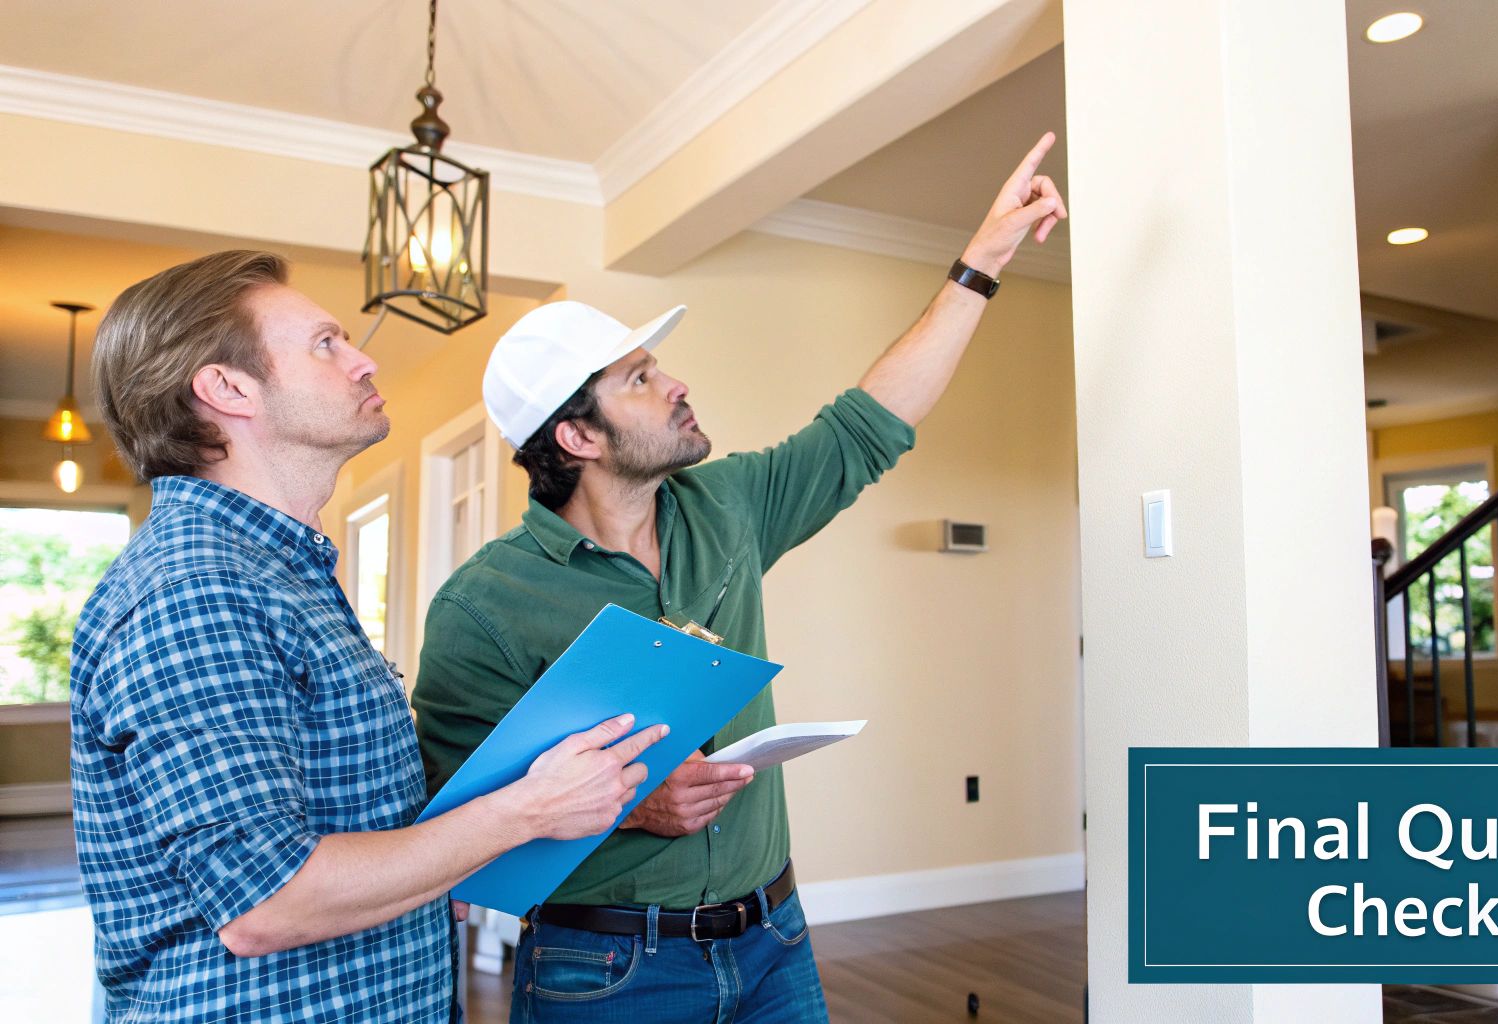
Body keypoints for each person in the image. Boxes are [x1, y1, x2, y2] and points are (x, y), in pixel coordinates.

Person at [411, 133, 1066, 1021]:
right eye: (641, 378)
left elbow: (865, 426)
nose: (676, 383)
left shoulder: (726, 505)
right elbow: (458, 837)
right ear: (579, 438)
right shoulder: (482, 608)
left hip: (776, 943)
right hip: (605, 972)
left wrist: (980, 263)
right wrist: (636, 805)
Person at [70, 250, 668, 1022]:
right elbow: (269, 902)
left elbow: (335, 823)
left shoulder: (280, 570)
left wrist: (436, 869)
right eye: (326, 343)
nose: (363, 360)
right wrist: (529, 809)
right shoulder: (197, 587)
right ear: (226, 389)